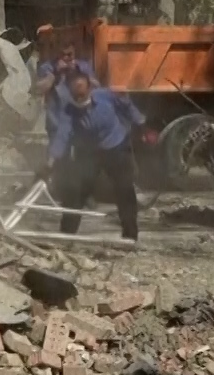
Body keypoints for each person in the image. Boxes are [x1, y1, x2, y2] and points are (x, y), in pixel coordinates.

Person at [47, 69, 146, 241]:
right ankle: (66, 236)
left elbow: (126, 106)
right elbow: (62, 136)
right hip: (90, 153)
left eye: (82, 89)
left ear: (89, 87)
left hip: (116, 147)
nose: (80, 95)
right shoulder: (69, 111)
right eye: (75, 91)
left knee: (124, 190)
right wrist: (49, 163)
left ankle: (130, 236)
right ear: (70, 91)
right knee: (76, 192)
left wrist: (141, 123)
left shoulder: (105, 96)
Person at [35, 43, 97, 138]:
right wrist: (55, 73)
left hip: (80, 122)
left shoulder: (83, 66)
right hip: (56, 123)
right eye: (62, 54)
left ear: (74, 53)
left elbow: (97, 87)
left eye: (69, 55)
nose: (65, 58)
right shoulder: (48, 67)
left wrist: (79, 73)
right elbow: (39, 89)